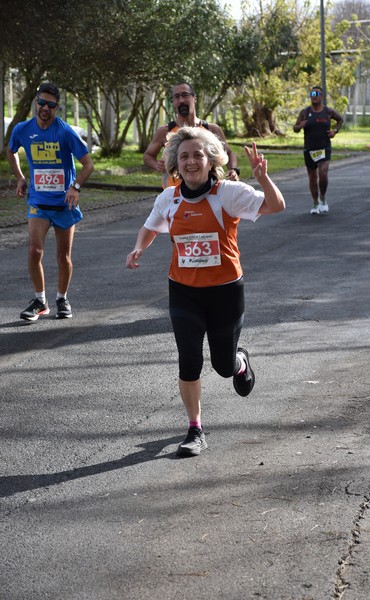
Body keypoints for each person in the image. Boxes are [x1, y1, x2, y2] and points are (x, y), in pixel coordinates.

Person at [126, 126, 285, 457]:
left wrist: (262, 178)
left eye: (197, 154)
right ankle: (195, 429)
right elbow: (150, 226)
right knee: (189, 360)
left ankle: (240, 362)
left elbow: (276, 206)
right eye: (183, 156)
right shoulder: (168, 197)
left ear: (211, 159)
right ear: (176, 164)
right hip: (184, 291)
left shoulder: (228, 193)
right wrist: (138, 248)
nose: (190, 161)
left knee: (223, 366)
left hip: (225, 292)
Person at [7, 82, 94, 321]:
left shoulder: (65, 132)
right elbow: (11, 150)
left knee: (62, 257)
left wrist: (75, 188)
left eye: (51, 105)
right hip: (38, 202)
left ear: (57, 107)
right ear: (36, 102)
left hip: (64, 205)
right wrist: (21, 178)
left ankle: (62, 298)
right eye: (42, 103)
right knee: (35, 251)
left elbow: (89, 165)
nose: (45, 108)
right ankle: (40, 301)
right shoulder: (22, 129)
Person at [143, 81, 240, 188]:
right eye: (177, 97)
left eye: (185, 95)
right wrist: (156, 165)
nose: (181, 100)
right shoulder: (165, 131)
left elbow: (229, 153)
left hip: (209, 192)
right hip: (175, 195)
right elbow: (148, 156)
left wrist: (233, 170)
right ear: (173, 102)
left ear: (194, 98)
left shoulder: (212, 130)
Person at [293, 85, 343, 215]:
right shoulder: (305, 112)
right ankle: (315, 202)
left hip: (324, 147)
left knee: (323, 172)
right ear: (310, 96)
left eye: (317, 94)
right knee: (312, 177)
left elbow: (340, 119)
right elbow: (295, 128)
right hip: (309, 149)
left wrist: (335, 131)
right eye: (312, 94)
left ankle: (323, 198)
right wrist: (300, 125)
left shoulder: (328, 112)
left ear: (322, 96)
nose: (314, 96)